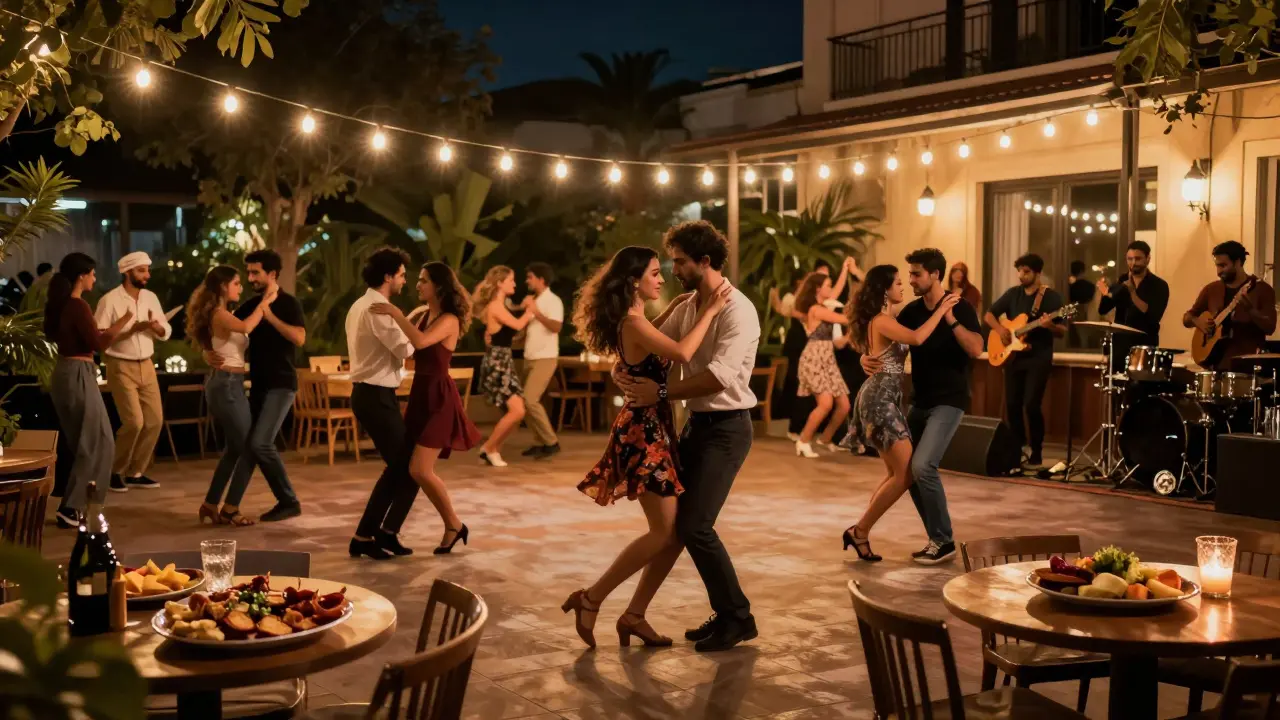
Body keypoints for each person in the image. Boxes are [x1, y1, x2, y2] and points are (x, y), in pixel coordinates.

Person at [562, 246, 730, 649]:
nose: (662, 277)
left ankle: (633, 615)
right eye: (655, 273)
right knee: (664, 532)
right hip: (644, 434)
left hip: (654, 429)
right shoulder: (633, 324)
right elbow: (684, 351)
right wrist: (709, 311)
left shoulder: (637, 320)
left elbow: (661, 328)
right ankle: (592, 598)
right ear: (635, 280)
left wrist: (680, 302)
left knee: (671, 534)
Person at [614, 220, 760, 652]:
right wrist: (625, 367)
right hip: (697, 426)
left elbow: (717, 376)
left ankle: (738, 617)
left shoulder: (738, 310)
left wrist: (659, 390)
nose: (673, 268)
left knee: (696, 525)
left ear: (705, 261)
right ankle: (723, 612)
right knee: (681, 526)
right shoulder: (691, 304)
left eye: (679, 261)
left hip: (729, 429)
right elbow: (654, 344)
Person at [861, 248, 983, 564]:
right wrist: (865, 357)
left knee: (922, 466)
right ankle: (936, 539)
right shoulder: (912, 312)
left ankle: (943, 541)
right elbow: (890, 341)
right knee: (907, 471)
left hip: (949, 401)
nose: (911, 280)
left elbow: (975, 350)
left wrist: (950, 318)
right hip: (920, 402)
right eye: (908, 275)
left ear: (935, 275)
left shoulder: (961, 307)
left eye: (916, 274)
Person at [843, 266, 960, 561]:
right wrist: (942, 309)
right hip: (879, 399)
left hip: (885, 398)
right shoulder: (882, 320)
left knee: (897, 473)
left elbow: (879, 351)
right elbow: (918, 338)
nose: (903, 287)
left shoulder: (886, 320)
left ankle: (860, 532)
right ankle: (860, 531)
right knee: (906, 474)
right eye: (897, 283)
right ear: (885, 290)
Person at [370, 262, 482, 554]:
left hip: (439, 398)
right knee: (411, 468)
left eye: (423, 281)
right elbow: (405, 346)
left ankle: (454, 523)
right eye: (417, 280)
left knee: (420, 469)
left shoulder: (449, 319)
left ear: (439, 286)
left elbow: (418, 341)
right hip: (420, 394)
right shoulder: (422, 315)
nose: (417, 285)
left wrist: (395, 313)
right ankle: (408, 529)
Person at [209, 249, 305, 522]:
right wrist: (208, 352)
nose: (250, 277)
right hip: (258, 386)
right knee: (251, 444)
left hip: (282, 384)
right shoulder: (249, 305)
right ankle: (229, 507)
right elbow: (222, 330)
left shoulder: (288, 303)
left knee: (261, 443)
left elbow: (299, 339)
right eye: (248, 272)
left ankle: (289, 501)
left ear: (272, 274)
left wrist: (269, 315)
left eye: (255, 272)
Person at [43, 253, 133, 528]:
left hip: (65, 373)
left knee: (88, 441)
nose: (95, 278)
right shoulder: (77, 305)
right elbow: (97, 343)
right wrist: (123, 322)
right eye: (92, 274)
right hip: (78, 374)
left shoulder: (61, 306)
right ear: (82, 276)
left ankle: (76, 505)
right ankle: (73, 507)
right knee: (99, 441)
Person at [346, 248, 419, 560]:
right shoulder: (378, 308)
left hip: (374, 394)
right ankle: (367, 536)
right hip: (374, 394)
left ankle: (381, 533)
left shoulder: (362, 304)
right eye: (402, 275)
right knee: (408, 467)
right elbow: (406, 349)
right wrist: (411, 322)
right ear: (388, 276)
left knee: (405, 467)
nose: (404, 280)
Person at [186, 265, 272, 526]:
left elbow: (217, 344)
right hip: (226, 384)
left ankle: (211, 504)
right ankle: (229, 509)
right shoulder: (219, 313)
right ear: (224, 286)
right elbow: (246, 327)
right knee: (249, 447)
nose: (240, 287)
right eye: (236, 283)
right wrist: (265, 303)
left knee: (236, 448)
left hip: (230, 383)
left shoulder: (221, 313)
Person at [94, 251, 170, 492]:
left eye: (147, 270)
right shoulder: (109, 300)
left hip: (146, 364)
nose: (146, 275)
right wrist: (132, 329)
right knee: (134, 422)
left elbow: (165, 330)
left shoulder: (150, 298)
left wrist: (157, 328)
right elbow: (101, 337)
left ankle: (136, 472)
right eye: (141, 270)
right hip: (119, 364)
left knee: (155, 421)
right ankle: (115, 471)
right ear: (127, 273)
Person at [984, 253, 1067, 468]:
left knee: (1031, 404)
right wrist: (1001, 329)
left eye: (1026, 271)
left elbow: (1063, 331)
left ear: (1038, 273)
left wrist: (1050, 326)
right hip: (1014, 357)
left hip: (1038, 357)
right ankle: (1017, 447)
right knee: (1012, 404)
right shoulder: (1013, 294)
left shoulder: (1051, 298)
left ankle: (1037, 449)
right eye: (1019, 271)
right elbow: (989, 315)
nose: (1022, 275)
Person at [473, 266, 533, 467]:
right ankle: (489, 448)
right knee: (517, 411)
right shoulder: (495, 306)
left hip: (503, 359)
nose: (514, 284)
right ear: (500, 283)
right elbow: (517, 325)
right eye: (510, 280)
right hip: (498, 363)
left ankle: (493, 449)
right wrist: (530, 310)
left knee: (519, 411)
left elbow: (506, 334)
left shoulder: (501, 305)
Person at [1184, 240, 1278, 370]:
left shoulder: (1262, 289)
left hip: (1247, 366)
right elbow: (1187, 317)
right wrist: (1198, 322)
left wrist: (1251, 310)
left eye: (1223, 266)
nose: (1218, 271)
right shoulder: (1211, 289)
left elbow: (1270, 327)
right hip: (1214, 365)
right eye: (1217, 266)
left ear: (1238, 262)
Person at [793, 272, 852, 458]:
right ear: (818, 289)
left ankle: (825, 439)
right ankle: (803, 441)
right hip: (814, 358)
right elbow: (845, 319)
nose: (831, 288)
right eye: (827, 285)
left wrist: (845, 269)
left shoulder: (824, 305)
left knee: (844, 405)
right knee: (825, 404)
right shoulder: (816, 310)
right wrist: (862, 307)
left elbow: (837, 290)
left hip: (827, 359)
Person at [517, 262, 565, 460]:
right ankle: (540, 442)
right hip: (530, 356)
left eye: (530, 277)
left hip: (545, 357)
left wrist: (536, 312)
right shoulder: (533, 300)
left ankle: (551, 441)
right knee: (523, 402)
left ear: (541, 279)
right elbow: (526, 329)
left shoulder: (553, 301)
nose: (527, 281)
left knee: (530, 399)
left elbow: (556, 327)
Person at [1097, 240, 1170, 369]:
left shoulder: (1159, 285)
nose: (1133, 263)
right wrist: (1104, 294)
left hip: (1144, 348)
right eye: (1129, 259)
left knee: (1140, 387)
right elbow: (1103, 310)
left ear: (1148, 259)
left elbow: (1153, 316)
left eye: (1138, 258)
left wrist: (1132, 291)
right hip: (1120, 347)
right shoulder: (1121, 281)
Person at [1067, 261, 1097, 348]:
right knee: (1085, 336)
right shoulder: (1090, 286)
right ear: (1082, 271)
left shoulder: (1069, 287)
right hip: (1086, 314)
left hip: (1072, 313)